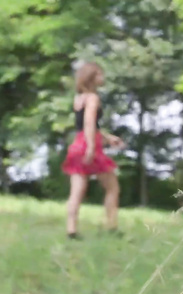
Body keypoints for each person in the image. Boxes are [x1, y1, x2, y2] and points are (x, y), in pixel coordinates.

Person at [61, 62, 125, 240]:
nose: (102, 78)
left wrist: (108, 137)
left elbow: (85, 125)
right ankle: (111, 226)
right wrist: (91, 147)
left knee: (77, 191)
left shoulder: (79, 98)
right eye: (99, 75)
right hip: (89, 145)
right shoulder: (93, 98)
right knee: (113, 187)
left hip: (77, 143)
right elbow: (89, 122)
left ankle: (71, 230)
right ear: (91, 77)